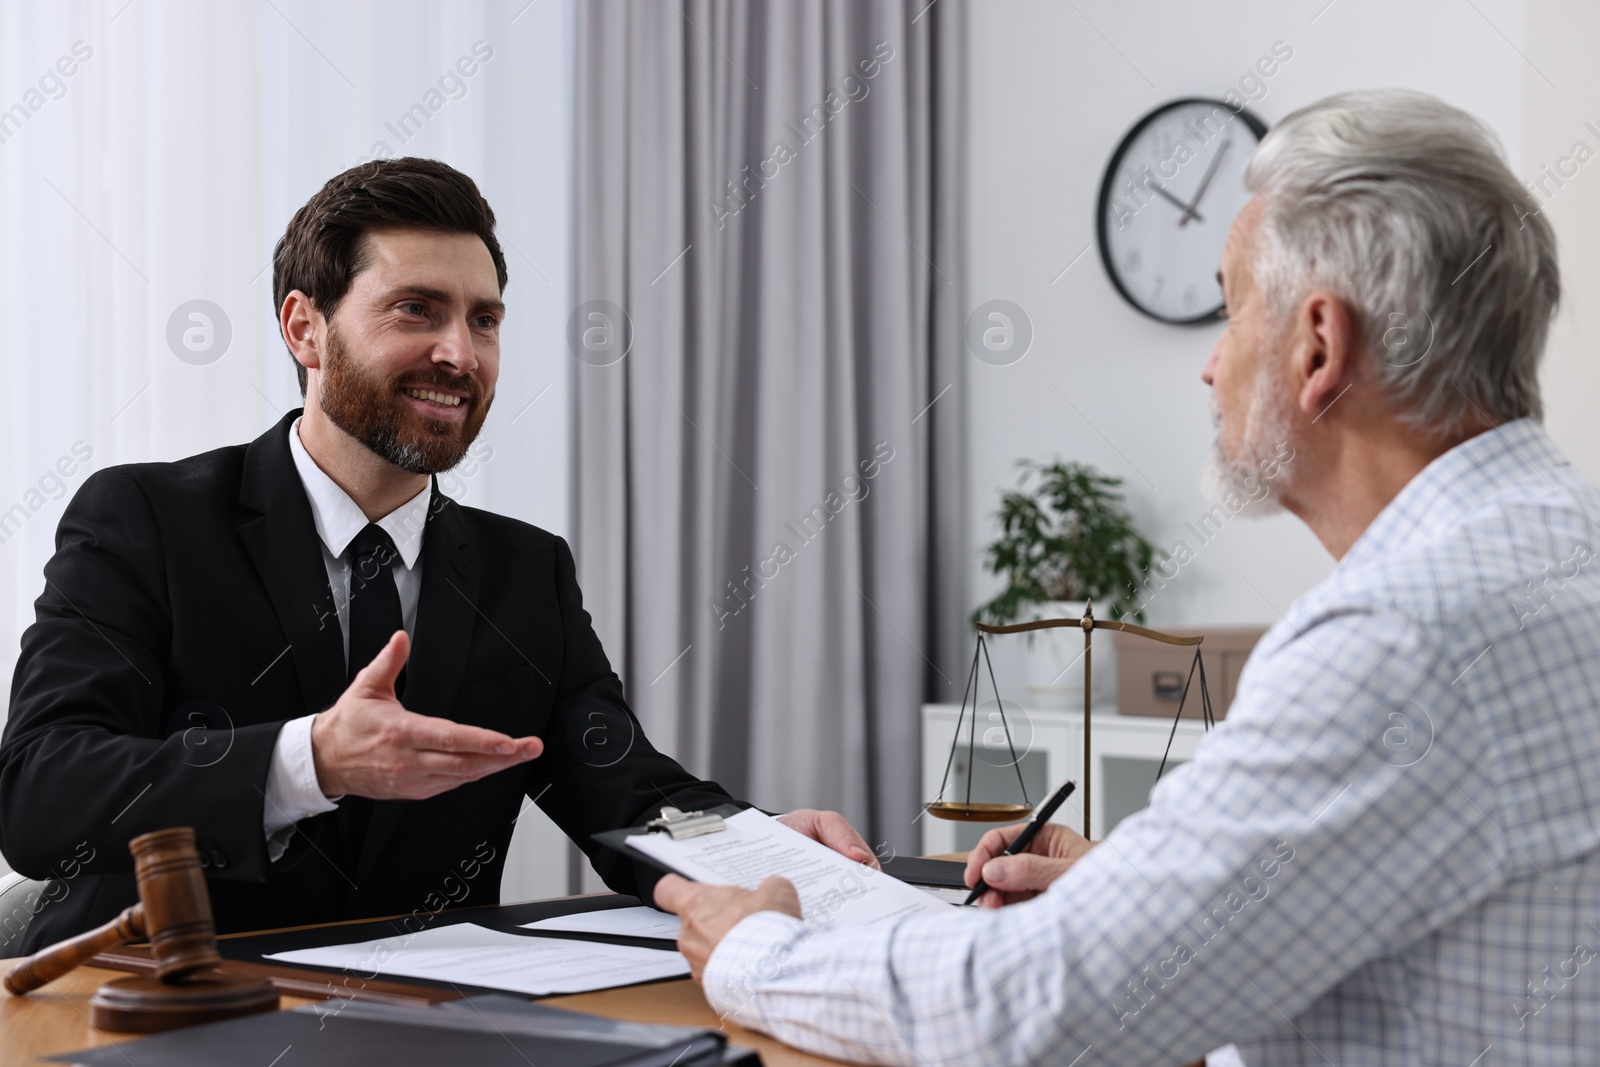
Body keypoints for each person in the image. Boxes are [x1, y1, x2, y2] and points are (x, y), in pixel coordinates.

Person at [656, 89, 1600, 1065]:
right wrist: (1144, 895)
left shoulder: (1400, 632)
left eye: (1232, 307)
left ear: (1317, 344)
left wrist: (753, 947)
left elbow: (1030, 1012)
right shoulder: (1555, 547)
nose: (1210, 365)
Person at [0, 157, 872, 955]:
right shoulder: (147, 518)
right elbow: (44, 791)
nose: (460, 353)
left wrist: (753, 850)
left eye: (483, 320)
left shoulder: (527, 570)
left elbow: (622, 788)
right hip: (150, 1010)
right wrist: (314, 759)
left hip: (430, 1018)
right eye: (417, 309)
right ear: (305, 328)